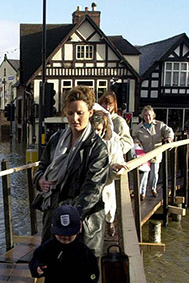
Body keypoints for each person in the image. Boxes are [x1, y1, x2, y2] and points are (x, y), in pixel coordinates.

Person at [34, 85, 109, 257]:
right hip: (54, 213)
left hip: (83, 220)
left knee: (79, 275)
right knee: (51, 269)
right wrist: (40, 180)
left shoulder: (97, 148)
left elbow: (93, 188)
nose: (74, 118)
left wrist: (72, 219)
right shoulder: (56, 139)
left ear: (90, 113)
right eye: (70, 113)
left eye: (80, 113)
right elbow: (42, 166)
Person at [91, 104, 127, 236]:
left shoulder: (113, 141)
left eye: (98, 130)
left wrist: (115, 168)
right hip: (89, 185)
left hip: (106, 182)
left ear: (104, 129)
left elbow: (117, 160)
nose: (96, 133)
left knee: (108, 207)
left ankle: (110, 222)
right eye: (93, 129)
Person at [133, 106, 174, 198]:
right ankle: (142, 193)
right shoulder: (139, 128)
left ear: (153, 116)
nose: (148, 117)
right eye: (146, 115)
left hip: (156, 152)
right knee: (144, 174)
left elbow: (169, 131)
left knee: (154, 173)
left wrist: (169, 138)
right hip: (144, 154)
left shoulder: (159, 125)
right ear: (143, 116)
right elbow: (134, 136)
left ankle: (153, 188)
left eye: (149, 115)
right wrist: (136, 141)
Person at [98, 91, 134, 158]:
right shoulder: (96, 119)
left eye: (110, 104)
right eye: (105, 104)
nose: (107, 107)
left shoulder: (119, 121)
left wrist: (114, 148)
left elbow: (128, 142)